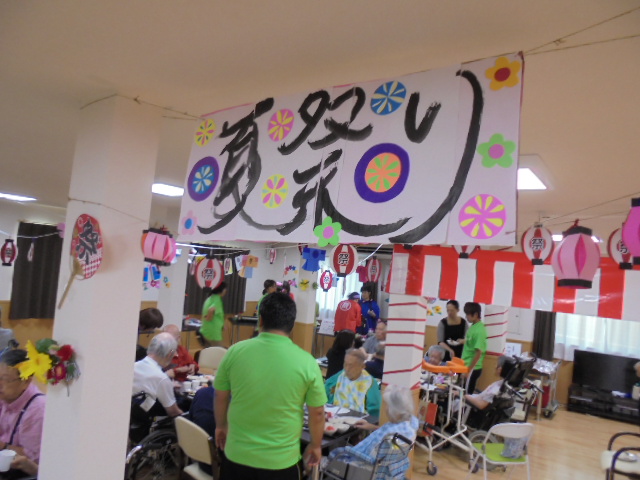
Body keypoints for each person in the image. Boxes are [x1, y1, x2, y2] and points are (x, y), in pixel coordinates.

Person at [214, 293, 327, 479]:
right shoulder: (307, 362)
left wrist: (220, 426)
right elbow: (317, 413)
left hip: (236, 456)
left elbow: (220, 396)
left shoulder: (234, 352)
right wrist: (315, 445)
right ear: (292, 325)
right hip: (281, 462)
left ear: (260, 320)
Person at [335, 385, 418, 480]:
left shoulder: (389, 435)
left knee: (336, 451)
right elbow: (387, 436)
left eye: (387, 405)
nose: (386, 409)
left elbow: (370, 453)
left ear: (395, 409)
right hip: (391, 473)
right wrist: (371, 426)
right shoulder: (409, 427)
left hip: (366, 470)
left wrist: (348, 450)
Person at [0, 349, 46, 470]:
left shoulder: (37, 410)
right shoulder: (5, 397)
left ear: (25, 381)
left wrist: (3, 446)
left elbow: (33, 460)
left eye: (5, 379)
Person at [132, 332, 183, 418]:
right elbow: (173, 412)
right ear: (170, 354)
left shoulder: (134, 366)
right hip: (148, 417)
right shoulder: (161, 378)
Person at [325, 349, 381, 418]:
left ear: (362, 366)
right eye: (345, 364)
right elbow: (325, 391)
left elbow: (375, 412)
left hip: (359, 421)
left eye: (351, 366)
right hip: (335, 418)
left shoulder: (370, 383)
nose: (347, 369)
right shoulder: (340, 376)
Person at [461, 302, 488, 395]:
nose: (466, 317)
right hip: (466, 365)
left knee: (466, 395)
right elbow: (471, 342)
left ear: (475, 314)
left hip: (473, 368)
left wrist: (469, 370)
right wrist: (462, 341)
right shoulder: (473, 326)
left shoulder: (479, 330)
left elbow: (478, 352)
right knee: (461, 392)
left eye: (467, 314)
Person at [188, 385, 216, 475]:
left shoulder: (201, 393)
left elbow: (190, 421)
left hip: (197, 455)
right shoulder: (238, 403)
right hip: (217, 467)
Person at [201, 282, 228, 347]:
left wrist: (222, 324)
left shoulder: (211, 298)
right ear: (222, 290)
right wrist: (209, 318)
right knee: (217, 351)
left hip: (207, 330)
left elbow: (212, 313)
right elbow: (211, 310)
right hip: (213, 332)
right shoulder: (217, 299)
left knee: (209, 350)